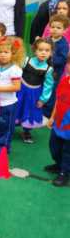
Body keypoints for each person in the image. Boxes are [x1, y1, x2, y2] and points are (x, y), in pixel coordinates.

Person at [0, 36, 24, 160]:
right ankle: (3, 145)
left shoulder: (15, 69)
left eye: (6, 52)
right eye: (0, 52)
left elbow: (16, 87)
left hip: (8, 105)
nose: (2, 55)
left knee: (7, 127)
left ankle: (2, 149)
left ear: (13, 53)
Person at [16, 38, 54, 144]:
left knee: (30, 111)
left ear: (51, 53)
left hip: (34, 94)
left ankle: (26, 131)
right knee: (17, 108)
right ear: (35, 50)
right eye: (40, 50)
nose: (43, 53)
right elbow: (16, 71)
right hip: (21, 90)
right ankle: (9, 126)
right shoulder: (26, 60)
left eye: (47, 50)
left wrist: (42, 99)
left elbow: (48, 86)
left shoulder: (48, 69)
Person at [46, 54, 70, 187]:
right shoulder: (64, 80)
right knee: (54, 146)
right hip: (59, 123)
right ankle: (59, 165)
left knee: (68, 152)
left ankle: (64, 173)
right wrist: (52, 117)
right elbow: (58, 100)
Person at [42, 14, 70, 118]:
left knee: (51, 91)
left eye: (58, 28)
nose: (54, 30)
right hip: (43, 70)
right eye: (52, 27)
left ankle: (47, 113)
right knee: (43, 88)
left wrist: (49, 58)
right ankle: (40, 106)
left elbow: (62, 60)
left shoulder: (63, 44)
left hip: (54, 74)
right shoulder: (47, 39)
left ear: (65, 30)